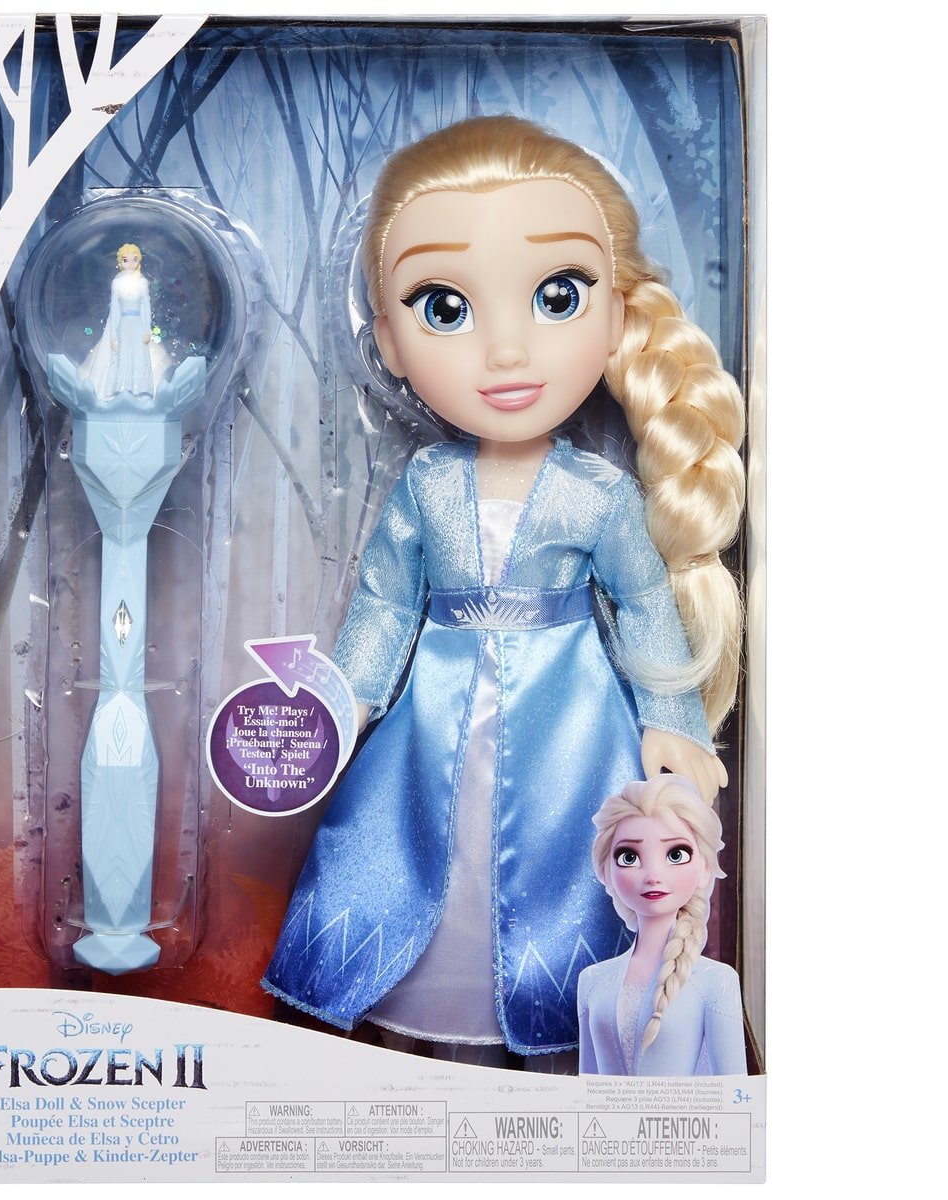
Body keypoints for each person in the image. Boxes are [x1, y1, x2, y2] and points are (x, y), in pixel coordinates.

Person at [262, 115, 745, 1061]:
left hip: (572, 725)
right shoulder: (426, 485)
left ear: (617, 316)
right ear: (388, 339)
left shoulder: (598, 493)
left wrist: (672, 720)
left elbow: (644, 603)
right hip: (431, 718)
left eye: (558, 296)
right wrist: (341, 702)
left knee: (562, 873)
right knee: (412, 855)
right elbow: (386, 606)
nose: (509, 353)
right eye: (445, 308)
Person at [578, 774, 746, 1075]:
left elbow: (733, 1092)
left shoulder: (716, 981)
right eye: (629, 856)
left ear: (705, 868)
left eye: (675, 854)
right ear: (606, 871)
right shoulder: (592, 980)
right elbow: (585, 1086)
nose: (653, 875)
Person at [88, 242, 155, 398]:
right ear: (120, 262)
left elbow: (146, 307)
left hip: (138, 324)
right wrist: (113, 337)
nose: (130, 263)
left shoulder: (142, 282)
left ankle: (140, 388)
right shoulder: (116, 283)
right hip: (123, 324)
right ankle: (121, 387)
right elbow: (115, 310)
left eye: (134, 259)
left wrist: (147, 330)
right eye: (126, 260)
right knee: (122, 354)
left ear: (139, 261)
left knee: (139, 354)